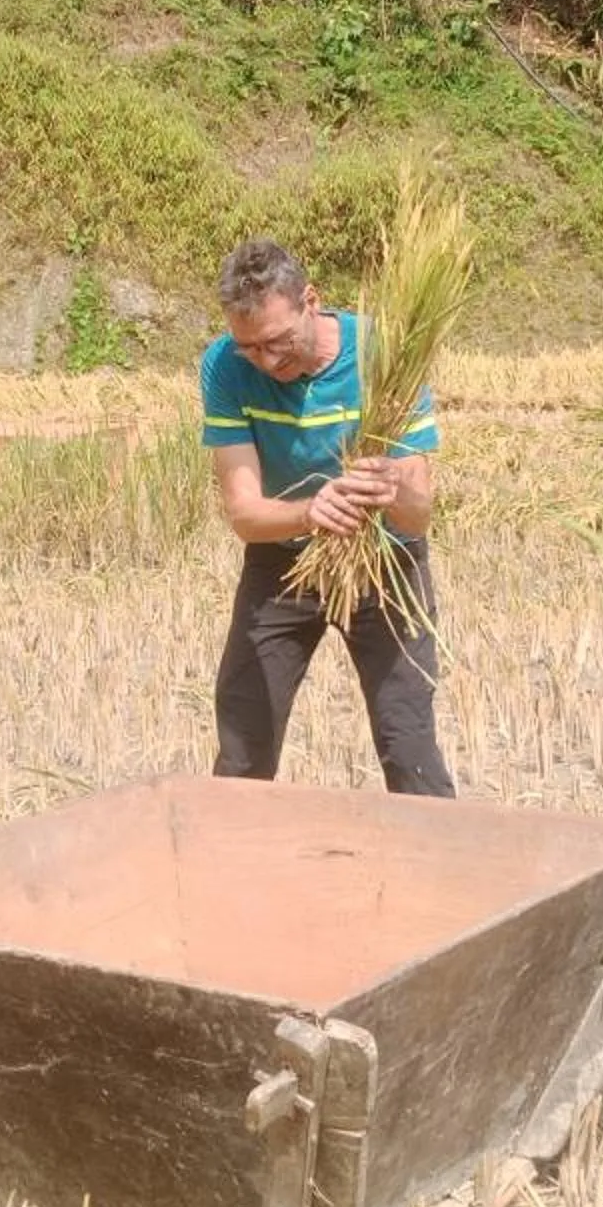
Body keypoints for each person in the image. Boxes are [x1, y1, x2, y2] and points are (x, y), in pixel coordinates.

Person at [199, 236, 455, 798]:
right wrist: (311, 513)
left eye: (278, 341)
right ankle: (230, 850)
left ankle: (437, 849)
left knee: (408, 746)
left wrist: (390, 489)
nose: (267, 361)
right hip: (284, 562)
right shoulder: (223, 366)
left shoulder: (384, 351)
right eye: (250, 348)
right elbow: (244, 514)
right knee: (243, 744)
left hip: (385, 560)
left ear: (310, 301)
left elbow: (419, 517)